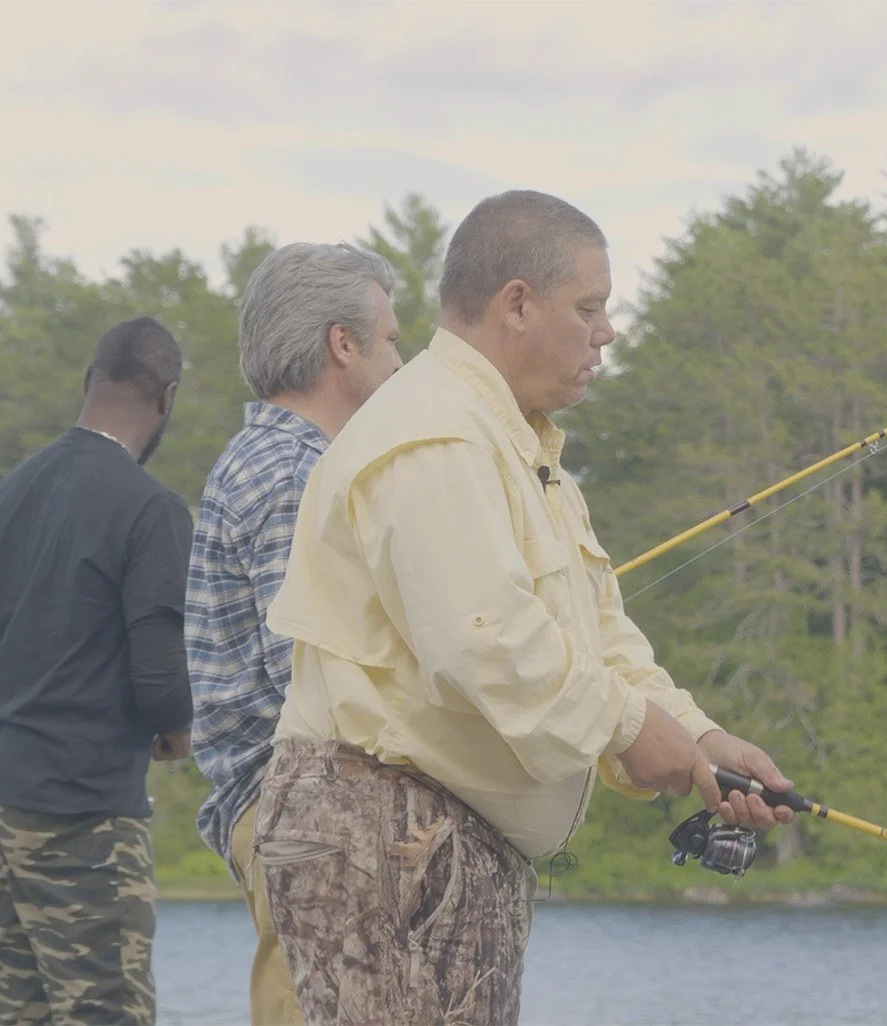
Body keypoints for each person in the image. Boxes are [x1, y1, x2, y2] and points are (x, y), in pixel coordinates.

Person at [255, 189, 799, 1025]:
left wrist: (697, 741)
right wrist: (626, 727)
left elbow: (601, 636)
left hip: (440, 837)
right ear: (516, 303)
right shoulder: (433, 432)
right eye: (589, 307)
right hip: (385, 830)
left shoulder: (517, 450)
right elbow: (482, 642)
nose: (606, 332)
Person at [0, 316, 193, 1026]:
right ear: (166, 398)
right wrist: (173, 728)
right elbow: (160, 678)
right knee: (106, 1009)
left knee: (21, 1011)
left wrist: (13, 719)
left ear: (88, 382)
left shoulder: (6, 493)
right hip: (78, 805)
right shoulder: (151, 510)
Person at [184, 242, 401, 1025]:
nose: (402, 361)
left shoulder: (292, 462)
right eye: (392, 340)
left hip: (306, 818)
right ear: (342, 345)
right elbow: (314, 678)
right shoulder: (294, 474)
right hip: (307, 817)